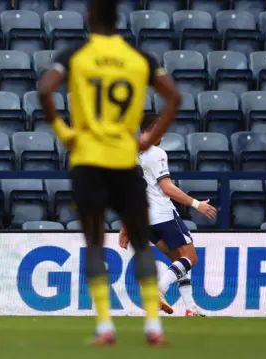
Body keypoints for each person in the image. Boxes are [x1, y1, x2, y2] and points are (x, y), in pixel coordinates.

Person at [37, 0, 181, 345]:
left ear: (89, 18)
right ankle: (153, 326)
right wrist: (149, 137)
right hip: (124, 159)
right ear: (118, 20)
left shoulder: (76, 53)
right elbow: (174, 97)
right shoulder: (140, 58)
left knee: (95, 244)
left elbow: (44, 90)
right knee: (143, 244)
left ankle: (104, 326)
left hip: (88, 160)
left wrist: (65, 133)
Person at [118, 115, 216, 317]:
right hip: (163, 215)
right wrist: (196, 204)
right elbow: (167, 187)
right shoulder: (156, 153)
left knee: (178, 262)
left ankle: (190, 307)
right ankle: (159, 289)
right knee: (190, 258)